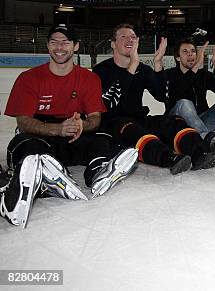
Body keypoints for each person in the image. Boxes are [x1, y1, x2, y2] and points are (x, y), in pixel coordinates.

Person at [0, 24, 138, 228]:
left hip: (73, 134)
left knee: (104, 137)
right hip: (42, 135)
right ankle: (47, 175)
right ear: (47, 46)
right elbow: (24, 122)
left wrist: (82, 124)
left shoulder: (89, 78)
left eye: (65, 42)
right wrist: (57, 129)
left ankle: (98, 171)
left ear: (75, 47)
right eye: (54, 41)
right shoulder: (28, 78)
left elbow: (95, 118)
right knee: (26, 146)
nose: (59, 46)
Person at [93, 24, 215, 175]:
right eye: (123, 37)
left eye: (133, 37)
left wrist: (158, 64)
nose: (129, 40)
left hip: (138, 118)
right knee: (135, 131)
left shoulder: (143, 69)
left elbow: (161, 95)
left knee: (172, 121)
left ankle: (200, 153)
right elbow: (109, 104)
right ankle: (169, 158)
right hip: (114, 123)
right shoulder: (101, 70)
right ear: (113, 43)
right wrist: (132, 67)